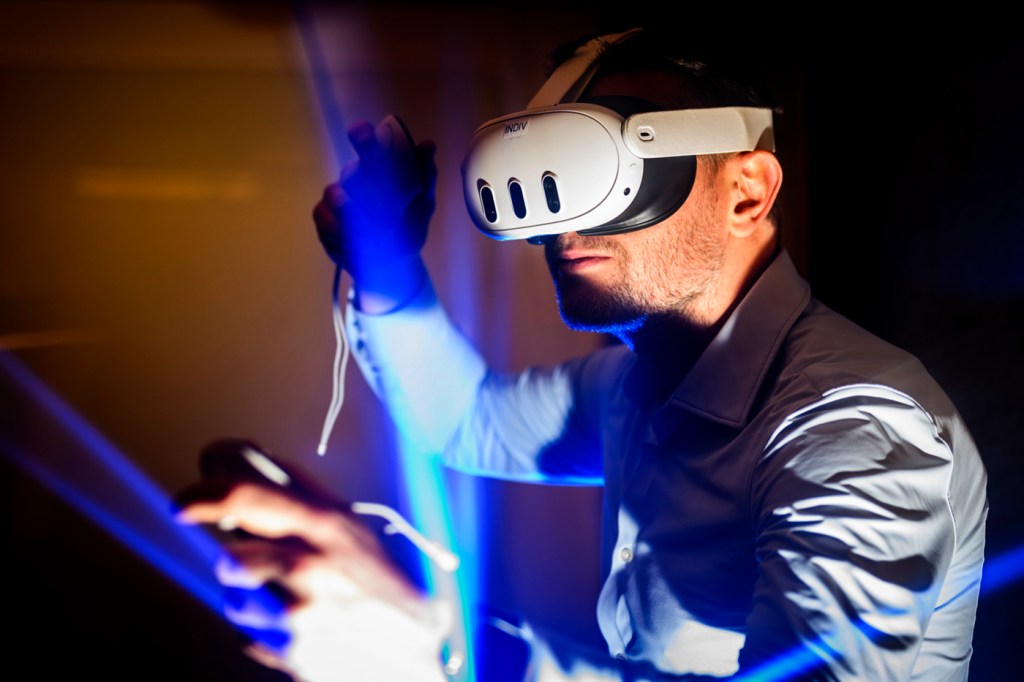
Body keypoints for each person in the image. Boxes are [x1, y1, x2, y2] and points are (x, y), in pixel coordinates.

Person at [176, 26, 988, 681]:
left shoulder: (850, 430)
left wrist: (438, 651)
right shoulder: (635, 387)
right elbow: (465, 421)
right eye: (550, 179)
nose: (563, 226)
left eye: (612, 173)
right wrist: (385, 268)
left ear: (747, 191)